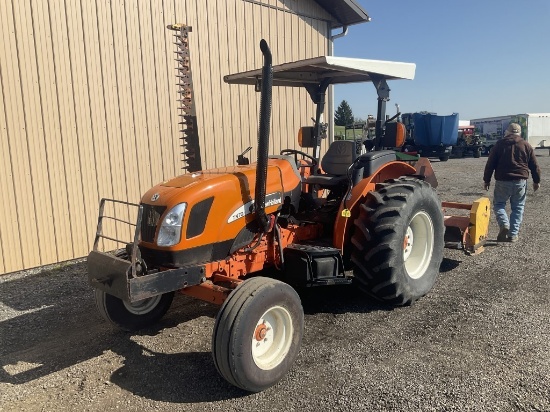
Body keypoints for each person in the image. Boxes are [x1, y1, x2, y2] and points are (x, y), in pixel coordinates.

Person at [483, 123, 541, 242]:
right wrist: (536, 181)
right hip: (520, 181)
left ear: (507, 132)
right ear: (519, 133)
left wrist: (486, 180)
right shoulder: (526, 145)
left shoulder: (499, 145)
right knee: (518, 207)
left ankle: (504, 224)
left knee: (499, 204)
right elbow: (534, 166)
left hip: (502, 180)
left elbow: (490, 164)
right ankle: (512, 235)